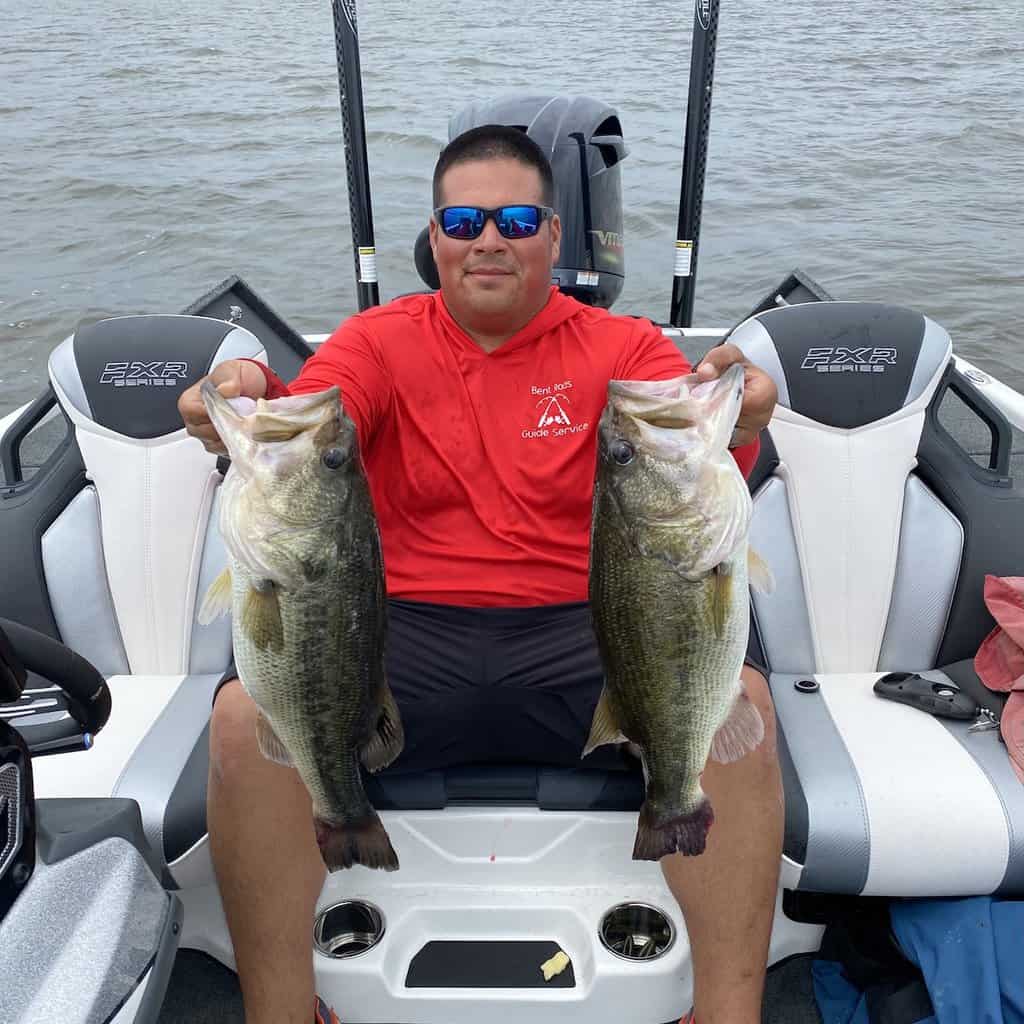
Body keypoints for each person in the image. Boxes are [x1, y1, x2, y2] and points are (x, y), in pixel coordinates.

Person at [178, 124, 782, 1024]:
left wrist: (744, 408)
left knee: (743, 712)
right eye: (462, 220)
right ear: (434, 237)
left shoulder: (621, 348)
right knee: (240, 723)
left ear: (552, 235)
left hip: (589, 628)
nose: (487, 239)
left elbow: (690, 426)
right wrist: (241, 391)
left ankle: (729, 1013)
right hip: (404, 633)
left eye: (513, 219)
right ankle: (280, 1010)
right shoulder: (378, 341)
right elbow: (308, 419)